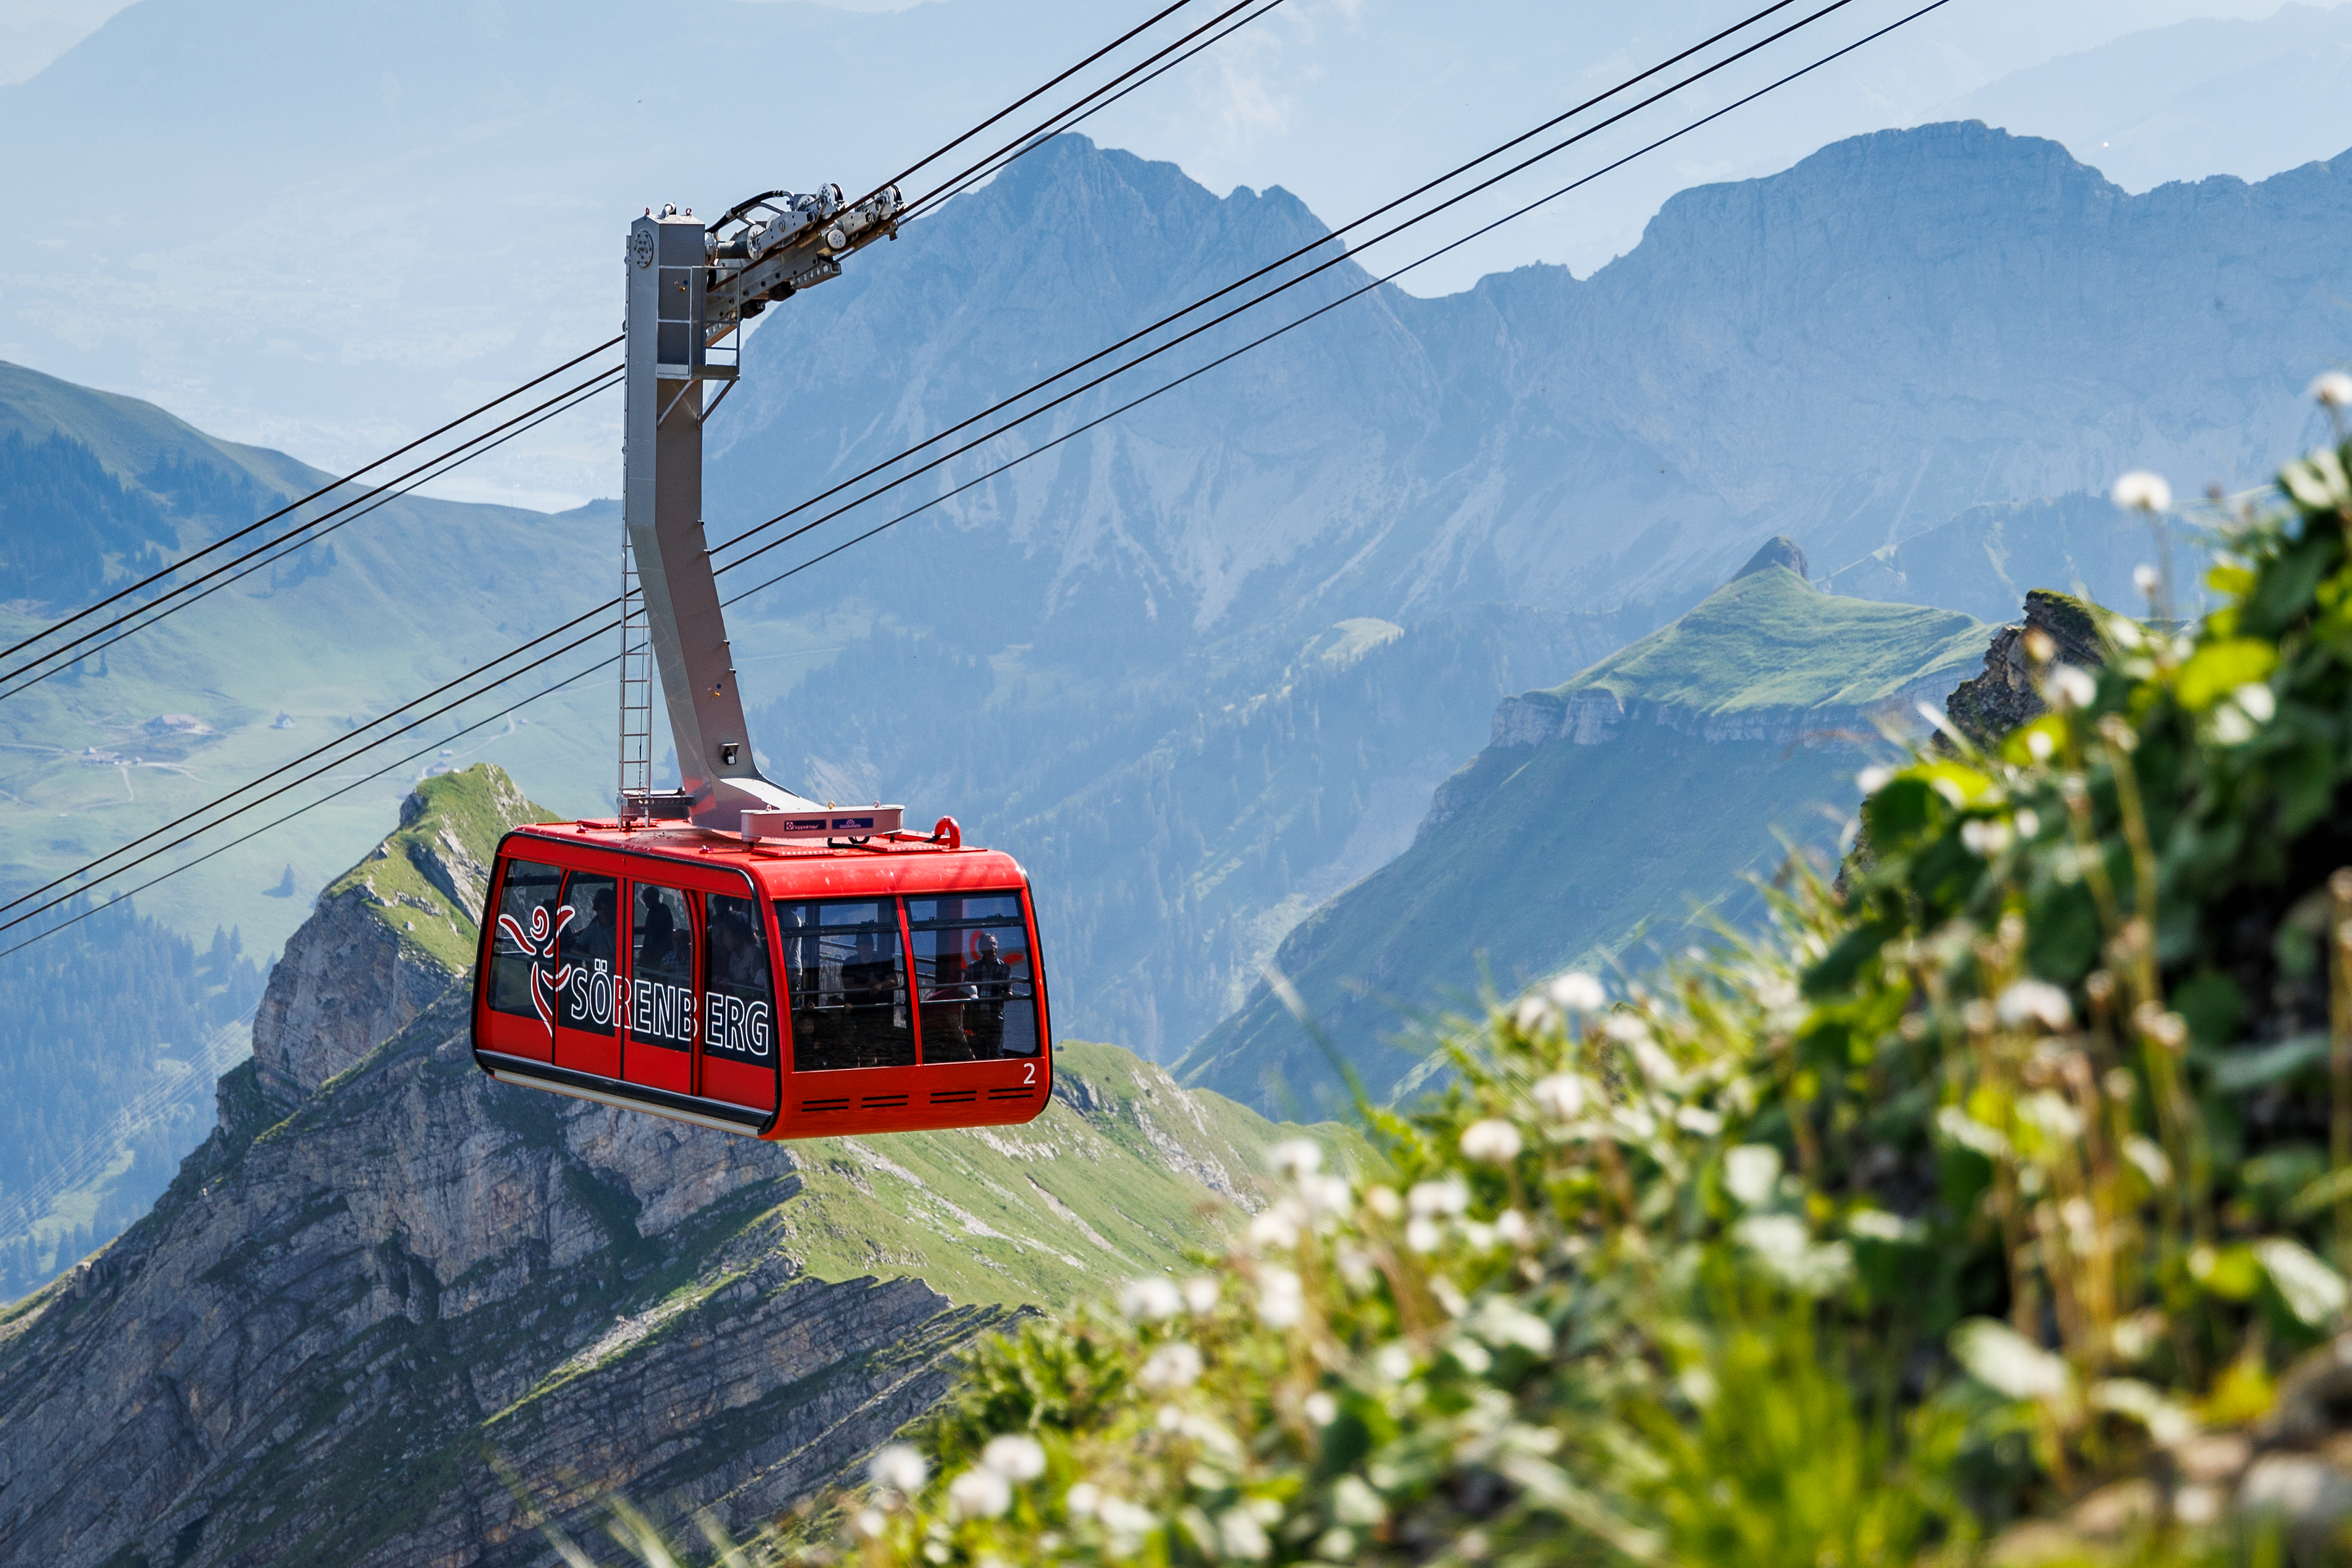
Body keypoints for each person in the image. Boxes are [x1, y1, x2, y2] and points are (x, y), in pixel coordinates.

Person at [967, 932, 1015, 1058]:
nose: (993, 948)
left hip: (995, 1018)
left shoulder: (1004, 968)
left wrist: (1009, 994)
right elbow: (965, 989)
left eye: (994, 944)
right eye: (989, 944)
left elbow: (1008, 989)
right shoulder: (973, 968)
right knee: (979, 1053)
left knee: (996, 1052)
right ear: (982, 949)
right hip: (977, 1018)